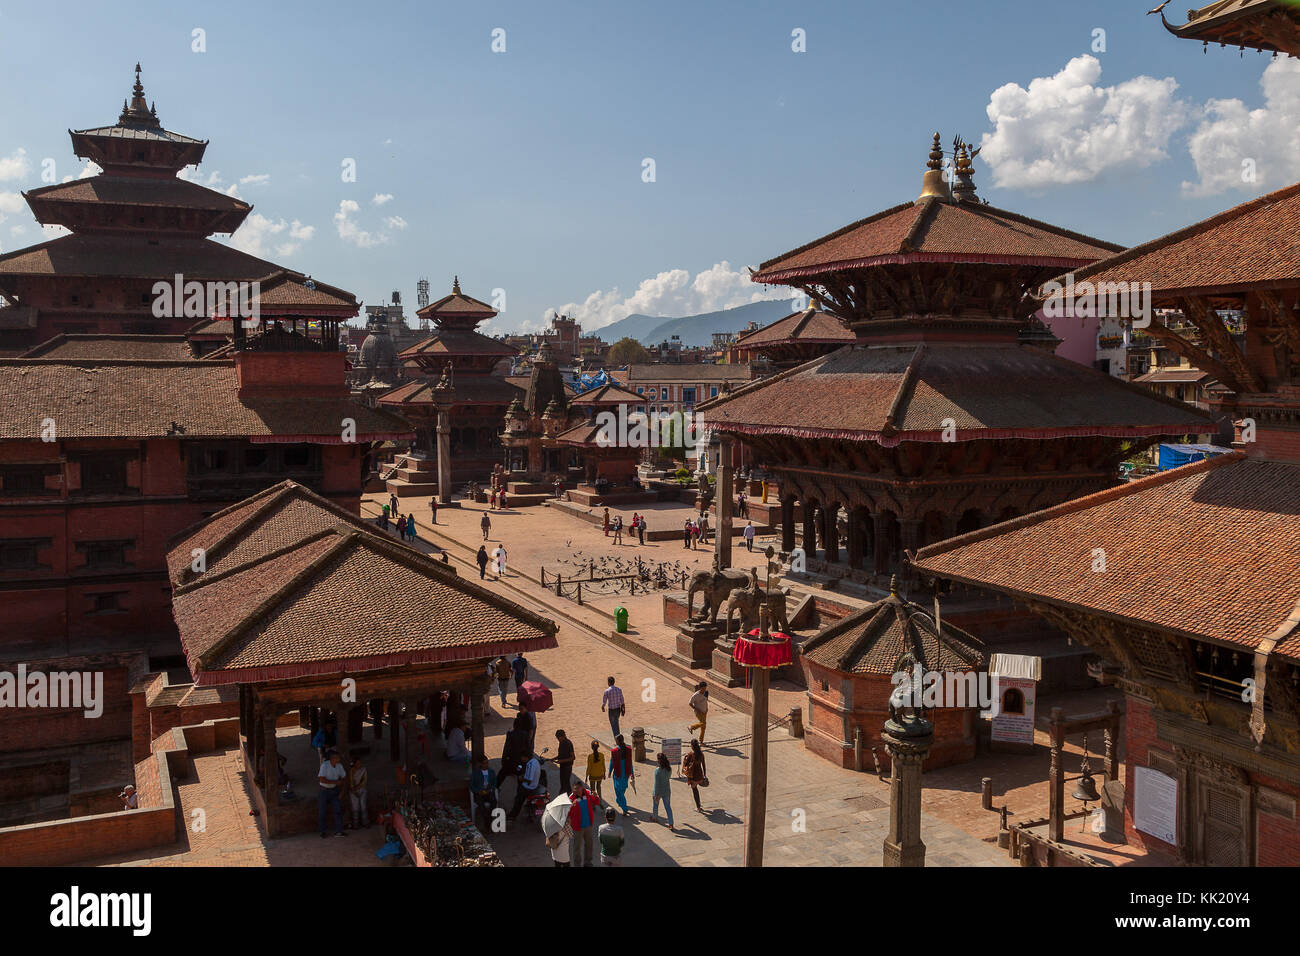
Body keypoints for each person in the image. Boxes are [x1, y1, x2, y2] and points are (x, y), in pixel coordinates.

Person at [567, 779, 602, 867]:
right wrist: (572, 807)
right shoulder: (571, 798)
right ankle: (577, 864)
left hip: (588, 825)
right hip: (577, 828)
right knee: (577, 848)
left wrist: (596, 796)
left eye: (577, 788)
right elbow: (568, 814)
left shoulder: (588, 793)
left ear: (582, 788)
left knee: (589, 845)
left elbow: (597, 802)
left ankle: (588, 862)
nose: (576, 790)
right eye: (574, 789)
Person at [318, 750, 347, 838]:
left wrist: (342, 792)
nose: (339, 759)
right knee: (322, 811)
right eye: (337, 757)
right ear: (332, 758)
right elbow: (321, 779)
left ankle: (338, 831)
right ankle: (322, 831)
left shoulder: (339, 766)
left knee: (337, 810)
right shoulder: (325, 765)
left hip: (334, 790)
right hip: (324, 791)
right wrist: (335, 782)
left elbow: (344, 778)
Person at [508, 751, 543, 821]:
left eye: (522, 757)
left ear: (525, 757)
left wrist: (521, 778)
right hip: (535, 785)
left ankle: (513, 815)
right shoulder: (535, 761)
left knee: (518, 800)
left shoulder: (530, 764)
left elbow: (529, 779)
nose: (521, 759)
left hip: (528, 787)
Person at [609, 734, 635, 817]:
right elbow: (630, 762)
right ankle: (620, 802)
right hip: (625, 774)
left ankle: (624, 808)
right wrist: (632, 772)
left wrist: (609, 772)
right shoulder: (628, 749)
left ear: (617, 741)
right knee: (622, 790)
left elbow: (612, 762)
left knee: (618, 792)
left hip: (618, 774)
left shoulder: (614, 751)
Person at [469, 757, 498, 831]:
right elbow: (471, 785)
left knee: (494, 801)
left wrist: (491, 789)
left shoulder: (491, 772)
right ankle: (488, 822)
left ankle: (489, 820)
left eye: (487, 763)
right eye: (484, 763)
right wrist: (477, 791)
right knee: (481, 804)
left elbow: (494, 783)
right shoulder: (476, 773)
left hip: (488, 792)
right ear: (481, 764)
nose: (486, 765)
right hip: (480, 793)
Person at [651, 752, 675, 830]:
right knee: (668, 807)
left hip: (658, 792)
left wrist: (656, 795)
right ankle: (671, 823)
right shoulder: (669, 769)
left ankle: (655, 817)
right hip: (667, 791)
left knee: (655, 806)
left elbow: (657, 784)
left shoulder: (657, 771)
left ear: (659, 761)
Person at [682, 738, 707, 812]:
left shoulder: (691, 754)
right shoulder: (701, 754)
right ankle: (699, 805)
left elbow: (686, 764)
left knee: (695, 790)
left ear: (692, 746)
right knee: (696, 790)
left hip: (693, 776)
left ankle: (698, 807)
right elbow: (704, 765)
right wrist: (704, 775)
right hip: (699, 774)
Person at [348, 755, 369, 828]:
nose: (359, 764)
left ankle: (365, 823)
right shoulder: (352, 771)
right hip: (353, 791)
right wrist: (353, 790)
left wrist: (357, 787)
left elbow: (364, 781)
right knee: (355, 808)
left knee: (363, 807)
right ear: (354, 763)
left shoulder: (364, 769)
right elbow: (350, 781)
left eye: (360, 763)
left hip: (362, 789)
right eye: (357, 763)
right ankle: (355, 824)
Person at [555, 729, 575, 794]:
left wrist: (561, 761)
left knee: (565, 784)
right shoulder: (561, 743)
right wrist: (553, 759)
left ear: (562, 736)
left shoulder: (568, 743)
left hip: (567, 767)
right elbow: (561, 755)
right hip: (563, 766)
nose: (558, 739)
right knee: (564, 783)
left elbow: (573, 757)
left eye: (558, 738)